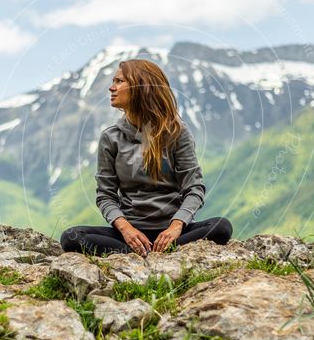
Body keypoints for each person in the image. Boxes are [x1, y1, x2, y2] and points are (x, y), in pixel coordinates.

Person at [60, 58, 233, 257]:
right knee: (72, 237)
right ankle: (150, 253)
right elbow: (105, 195)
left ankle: (142, 254)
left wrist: (176, 226)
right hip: (128, 233)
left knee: (221, 227)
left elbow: (194, 188)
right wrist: (126, 229)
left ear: (141, 87)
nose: (111, 88)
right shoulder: (111, 137)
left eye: (119, 81)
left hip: (173, 232)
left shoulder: (177, 132)